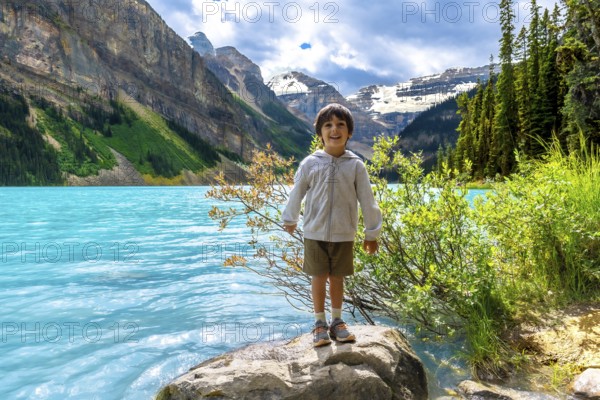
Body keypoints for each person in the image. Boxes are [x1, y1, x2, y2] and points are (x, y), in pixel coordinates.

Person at [282, 103, 382, 347]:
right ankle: (319, 323)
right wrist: (290, 218)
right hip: (314, 232)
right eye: (328, 125)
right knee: (319, 276)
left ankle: (337, 321)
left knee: (337, 277)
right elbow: (297, 192)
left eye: (340, 125)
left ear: (349, 133)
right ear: (320, 133)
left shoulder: (356, 165)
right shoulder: (310, 163)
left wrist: (372, 233)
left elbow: (368, 200)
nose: (334, 130)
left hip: (344, 233)